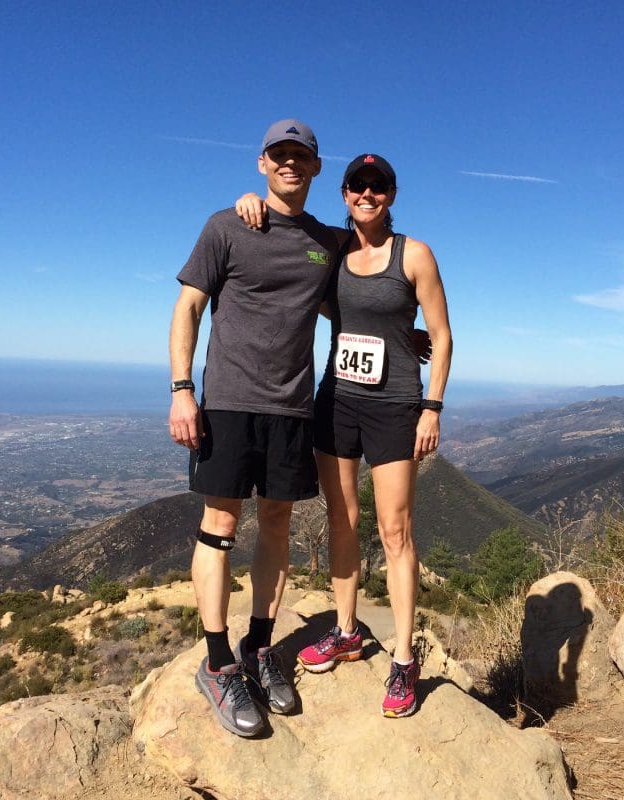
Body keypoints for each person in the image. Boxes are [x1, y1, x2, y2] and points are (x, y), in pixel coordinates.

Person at [237, 153, 452, 718]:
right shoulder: (332, 247)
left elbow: (444, 335)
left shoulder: (415, 254)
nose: (367, 194)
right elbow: (286, 223)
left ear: (392, 194)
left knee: (395, 529)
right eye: (358, 185)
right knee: (341, 520)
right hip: (337, 400)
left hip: (396, 406)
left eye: (377, 187)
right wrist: (250, 203)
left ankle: (404, 659)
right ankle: (347, 630)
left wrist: (432, 407)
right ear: (344, 192)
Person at [168, 119, 341, 737]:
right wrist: (182, 390)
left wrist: (415, 334)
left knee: (276, 522)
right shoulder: (227, 226)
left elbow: (374, 267)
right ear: (262, 163)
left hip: (292, 408)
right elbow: (188, 305)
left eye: (302, 157)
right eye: (281, 155)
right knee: (219, 525)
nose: (291, 164)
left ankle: (260, 648)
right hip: (230, 403)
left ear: (316, 169)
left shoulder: (326, 242)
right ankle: (217, 664)